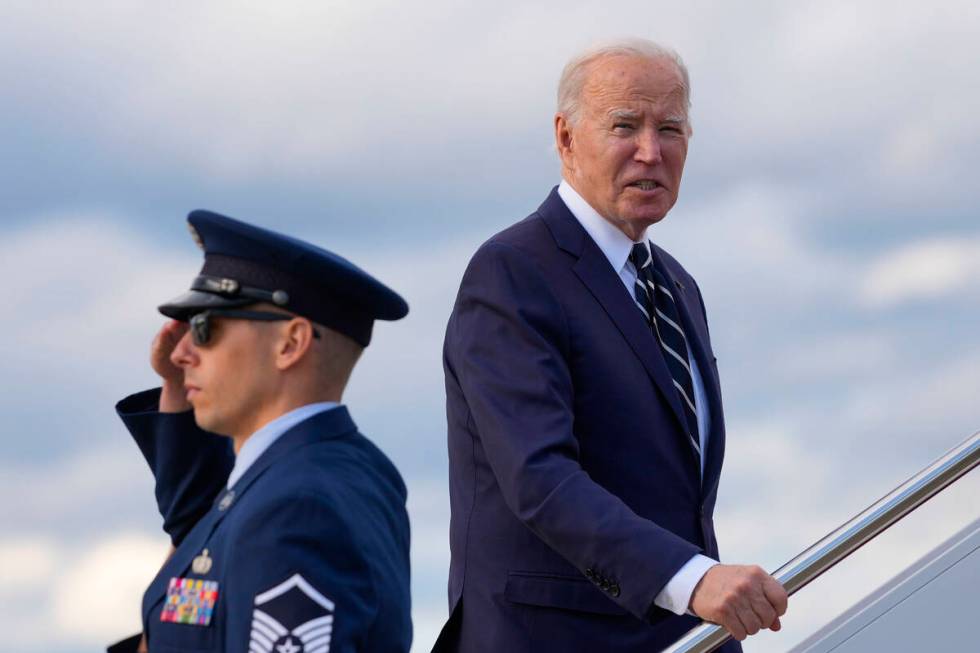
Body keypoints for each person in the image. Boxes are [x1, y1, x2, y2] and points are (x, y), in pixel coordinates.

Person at [432, 39, 788, 652]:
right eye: (625, 126)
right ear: (566, 139)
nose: (650, 151)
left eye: (670, 128)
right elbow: (539, 478)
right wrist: (693, 579)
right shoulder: (513, 272)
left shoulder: (676, 284)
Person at [107, 210, 412, 653]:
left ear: (290, 344)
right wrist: (177, 391)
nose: (181, 353)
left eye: (205, 328)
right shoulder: (311, 476)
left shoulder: (298, 507)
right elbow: (202, 525)